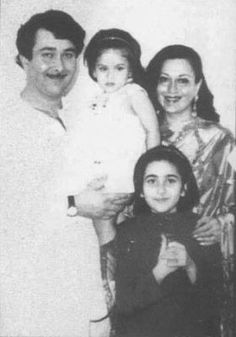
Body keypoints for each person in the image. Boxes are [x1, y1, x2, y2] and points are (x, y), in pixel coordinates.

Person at [0, 10, 129, 337]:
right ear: (24, 60)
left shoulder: (81, 119)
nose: (59, 65)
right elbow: (10, 212)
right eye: (47, 54)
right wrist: (75, 204)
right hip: (32, 301)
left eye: (68, 54)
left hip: (85, 288)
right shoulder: (9, 125)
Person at [145, 45, 235, 337]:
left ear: (197, 86)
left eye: (182, 80)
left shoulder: (222, 140)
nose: (172, 89)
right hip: (148, 261)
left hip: (202, 261)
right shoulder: (138, 134)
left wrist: (221, 223)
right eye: (164, 79)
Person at [112, 145, 222, 337]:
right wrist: (159, 272)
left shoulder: (202, 228)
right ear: (140, 190)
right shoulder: (126, 233)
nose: (161, 190)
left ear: (184, 188)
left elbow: (214, 301)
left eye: (170, 180)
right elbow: (123, 305)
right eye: (151, 181)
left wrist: (190, 266)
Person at [67, 28, 159, 196]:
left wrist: (152, 169)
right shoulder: (96, 100)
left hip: (126, 170)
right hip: (101, 170)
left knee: (107, 217)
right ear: (94, 71)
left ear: (130, 71)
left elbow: (152, 129)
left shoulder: (133, 94)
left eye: (119, 68)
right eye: (103, 69)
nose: (110, 76)